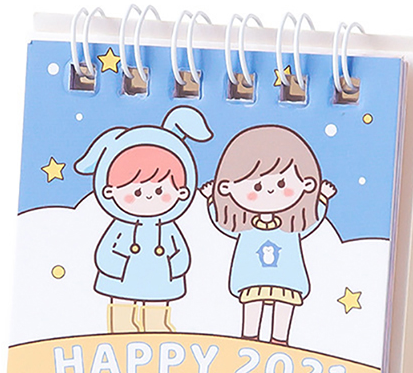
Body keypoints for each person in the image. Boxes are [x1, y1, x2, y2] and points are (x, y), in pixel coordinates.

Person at [75, 105, 212, 333]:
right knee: (122, 310)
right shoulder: (121, 226)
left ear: (182, 192)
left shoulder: (167, 227)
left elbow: (179, 249)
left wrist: (177, 266)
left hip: (160, 276)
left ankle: (157, 326)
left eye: (159, 190)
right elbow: (106, 249)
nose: (148, 196)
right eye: (137, 191)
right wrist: (113, 267)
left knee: (156, 310)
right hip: (123, 276)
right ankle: (121, 329)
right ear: (109, 191)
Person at [200, 125, 337, 346]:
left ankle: (280, 340)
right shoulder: (245, 228)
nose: (271, 190)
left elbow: (312, 222)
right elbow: (222, 225)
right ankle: (249, 338)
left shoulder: (291, 227)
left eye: (282, 183)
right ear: (227, 188)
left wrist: (321, 199)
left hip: (287, 278)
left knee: (284, 307)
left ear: (306, 184)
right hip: (251, 278)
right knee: (252, 306)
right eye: (257, 186)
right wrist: (210, 200)